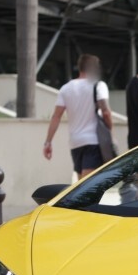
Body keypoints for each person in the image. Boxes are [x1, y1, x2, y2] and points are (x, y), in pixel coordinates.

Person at [43, 53, 112, 181]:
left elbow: (56, 117)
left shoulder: (66, 88)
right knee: (88, 186)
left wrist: (48, 142)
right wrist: (109, 130)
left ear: (80, 68)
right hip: (94, 141)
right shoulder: (99, 86)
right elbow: (106, 112)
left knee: (82, 183)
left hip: (75, 143)